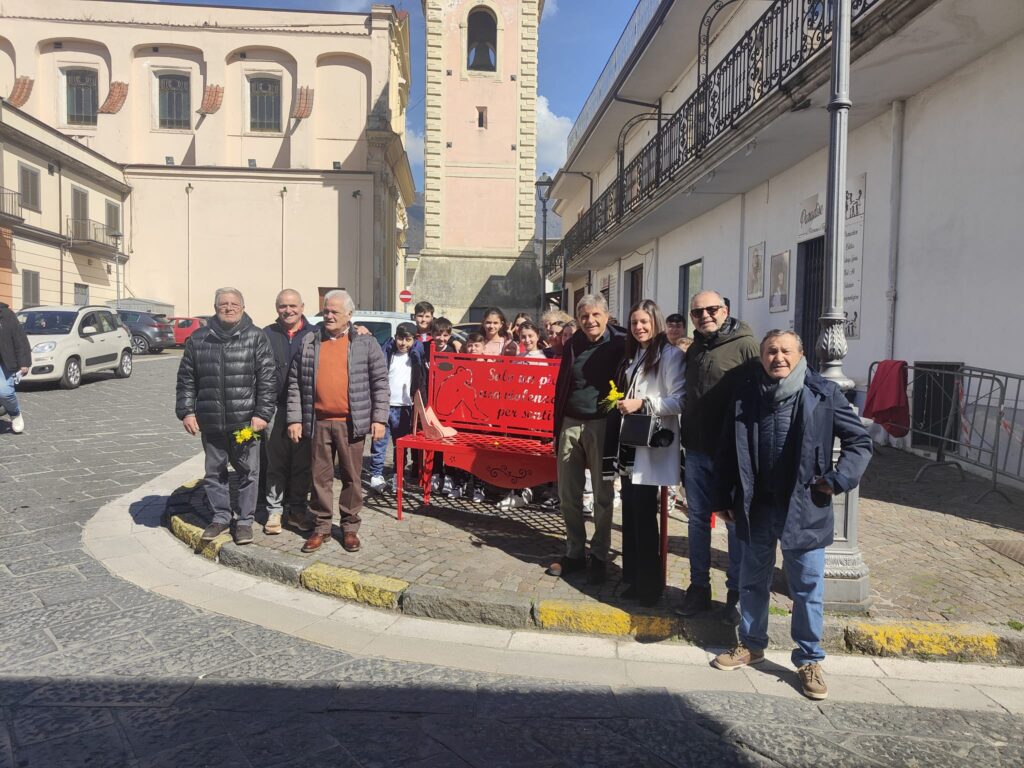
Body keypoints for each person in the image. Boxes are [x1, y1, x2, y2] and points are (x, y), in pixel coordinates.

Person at [710, 330, 871, 701]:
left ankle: (809, 659)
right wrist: (722, 496)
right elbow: (725, 450)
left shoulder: (823, 393)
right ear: (761, 356)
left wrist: (838, 479)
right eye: (770, 351)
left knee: (806, 588)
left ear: (800, 355)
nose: (777, 357)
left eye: (785, 351)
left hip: (804, 507)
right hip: (757, 506)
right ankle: (751, 644)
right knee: (752, 581)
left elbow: (859, 441)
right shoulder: (746, 394)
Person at [678, 290, 760, 618]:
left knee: (734, 524)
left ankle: (736, 593)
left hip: (732, 456)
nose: (705, 316)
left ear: (725, 311)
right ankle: (699, 587)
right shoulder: (696, 347)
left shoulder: (746, 346)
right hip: (696, 450)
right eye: (697, 312)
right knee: (697, 521)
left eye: (711, 310)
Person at [286, 289, 388, 554]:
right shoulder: (309, 341)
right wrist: (295, 418)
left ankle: (350, 527)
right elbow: (296, 384)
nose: (329, 315)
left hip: (351, 424)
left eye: (335, 312)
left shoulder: (366, 342)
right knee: (320, 479)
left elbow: (380, 383)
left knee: (353, 478)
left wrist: (379, 419)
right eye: (326, 311)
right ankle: (321, 527)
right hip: (318, 422)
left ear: (349, 315)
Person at [176, 288, 277, 545]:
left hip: (246, 423)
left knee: (249, 473)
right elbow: (186, 379)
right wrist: (187, 411)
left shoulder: (256, 337)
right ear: (215, 307)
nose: (229, 308)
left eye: (234, 304)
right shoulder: (199, 339)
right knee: (214, 473)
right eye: (224, 304)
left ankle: (244, 521)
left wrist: (262, 414)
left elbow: (267, 379)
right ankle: (220, 516)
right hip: (211, 422)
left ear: (242, 307)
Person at [548, 293, 626, 584]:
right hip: (570, 423)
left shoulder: (620, 343)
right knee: (568, 494)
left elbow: (623, 384)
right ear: (578, 320)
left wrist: (604, 413)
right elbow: (562, 388)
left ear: (606, 316)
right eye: (584, 316)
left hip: (601, 426)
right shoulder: (572, 344)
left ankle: (600, 555)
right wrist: (558, 431)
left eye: (595, 315)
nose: (590, 321)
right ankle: (575, 551)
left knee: (603, 496)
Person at [614, 300, 684, 606]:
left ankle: (650, 585)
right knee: (630, 512)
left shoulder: (670, 355)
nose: (639, 328)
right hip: (630, 442)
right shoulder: (637, 354)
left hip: (651, 444)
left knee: (644, 515)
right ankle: (633, 577)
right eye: (634, 323)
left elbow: (680, 400)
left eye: (644, 322)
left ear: (655, 322)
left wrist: (643, 403)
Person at [262, 289, 316, 534]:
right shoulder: (266, 334)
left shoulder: (315, 334)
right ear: (276, 308)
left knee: (302, 463)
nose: (288, 310)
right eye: (283, 306)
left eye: (293, 305)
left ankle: (297, 509)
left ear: (302, 307)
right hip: (274, 408)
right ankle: (274, 510)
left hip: (305, 409)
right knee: (276, 462)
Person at [369, 322, 425, 494]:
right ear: (395, 338)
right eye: (400, 338)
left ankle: (397, 475)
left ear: (414, 340)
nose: (403, 343)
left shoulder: (416, 355)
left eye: (407, 340)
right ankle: (376, 475)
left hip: (405, 407)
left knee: (400, 445)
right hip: (385, 406)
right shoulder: (387, 353)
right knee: (379, 443)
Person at [0, 301, 31, 434]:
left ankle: (14, 413)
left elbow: (19, 338)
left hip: (4, 361)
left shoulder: (7, 314)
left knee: (5, 392)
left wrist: (24, 362)